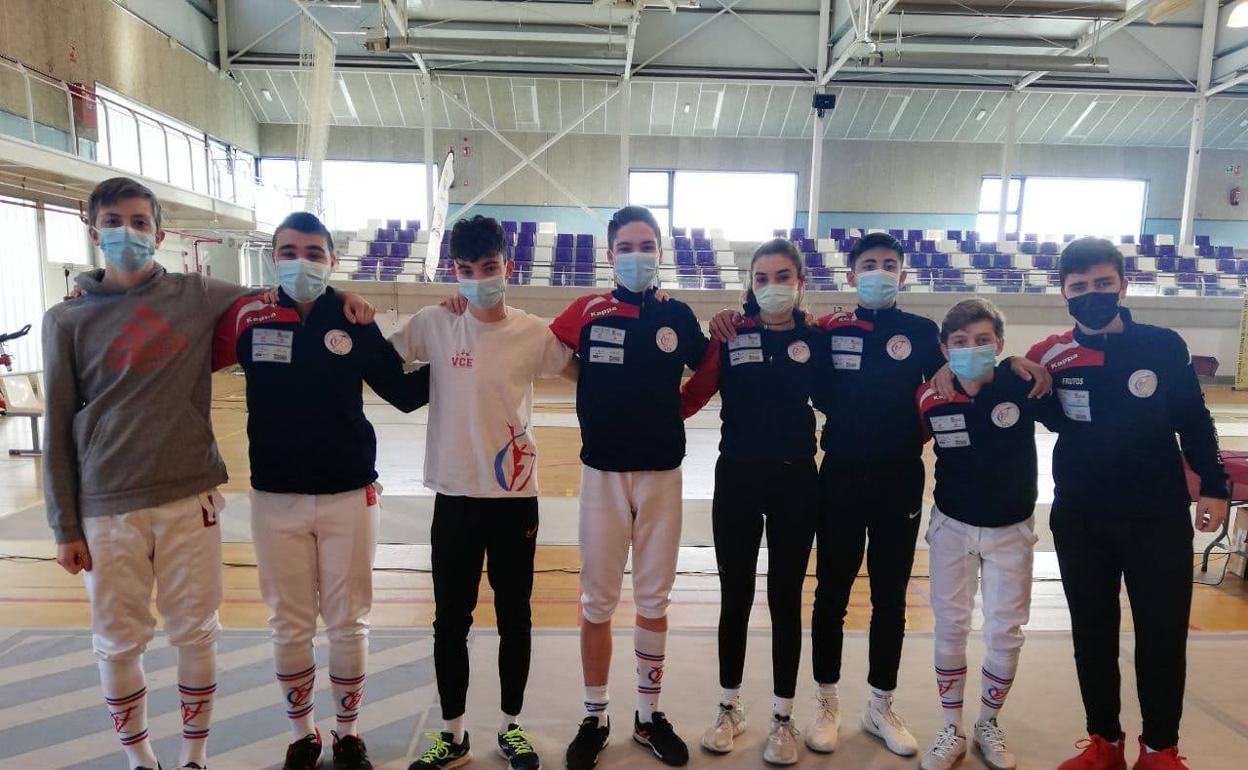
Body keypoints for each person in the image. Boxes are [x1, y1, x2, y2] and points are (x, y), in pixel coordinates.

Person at [42, 177, 373, 770]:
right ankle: (141, 760)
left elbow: (287, 289)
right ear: (92, 230)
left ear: (159, 234)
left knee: (196, 632)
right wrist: (63, 524)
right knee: (118, 640)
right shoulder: (65, 319)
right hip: (104, 504)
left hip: (189, 494)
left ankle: (193, 757)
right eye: (113, 221)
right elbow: (59, 423)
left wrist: (342, 294)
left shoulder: (196, 294)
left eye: (139, 222)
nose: (126, 232)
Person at [708, 232, 1049, 758]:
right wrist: (729, 317)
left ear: (903, 274)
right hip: (839, 476)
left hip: (899, 478)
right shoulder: (829, 328)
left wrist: (1011, 362)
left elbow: (962, 366)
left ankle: (880, 704)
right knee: (831, 594)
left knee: (891, 597)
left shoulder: (920, 332)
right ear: (851, 275)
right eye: (869, 264)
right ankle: (826, 703)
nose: (879, 273)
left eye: (889, 264)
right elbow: (788, 338)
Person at [211, 212, 431, 770]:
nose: (300, 262)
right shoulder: (248, 314)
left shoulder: (352, 318)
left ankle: (348, 733)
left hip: (348, 495)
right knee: (288, 624)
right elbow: (186, 344)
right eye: (289, 252)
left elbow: (404, 394)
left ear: (332, 261)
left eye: (313, 253)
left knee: (348, 621)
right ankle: (302, 734)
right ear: (273, 258)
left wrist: (469, 351)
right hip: (274, 498)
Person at [1026, 238, 1227, 770]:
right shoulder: (1050, 353)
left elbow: (1194, 419)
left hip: (1157, 515)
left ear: (1122, 285)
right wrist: (1011, 366)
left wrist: (1214, 485)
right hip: (1081, 516)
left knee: (1162, 635)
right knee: (1092, 634)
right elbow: (1018, 394)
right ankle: (1105, 743)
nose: (1091, 294)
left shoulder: (1162, 345)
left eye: (1103, 283)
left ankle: (1160, 749)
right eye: (1079, 286)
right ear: (1063, 292)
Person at [387, 215, 575, 770]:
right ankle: (453, 735)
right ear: (454, 272)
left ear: (507, 267)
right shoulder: (434, 323)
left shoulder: (533, 332)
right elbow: (374, 359)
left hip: (514, 499)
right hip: (454, 497)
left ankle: (511, 727)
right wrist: (347, 310)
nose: (477, 279)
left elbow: (589, 376)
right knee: (451, 620)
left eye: (488, 267)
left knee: (515, 617)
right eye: (466, 270)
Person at [552, 206, 709, 770]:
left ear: (659, 253)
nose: (637, 255)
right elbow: (551, 352)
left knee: (653, 599)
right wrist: (591, 381)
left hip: (662, 474)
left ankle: (647, 715)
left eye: (647, 246)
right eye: (626, 247)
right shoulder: (587, 310)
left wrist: (680, 406)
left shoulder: (677, 314)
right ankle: (595, 715)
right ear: (610, 254)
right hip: (602, 474)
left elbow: (710, 368)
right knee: (597, 600)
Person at [679, 239, 825, 766]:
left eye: (782, 276)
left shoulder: (818, 339)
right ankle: (729, 708)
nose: (772, 286)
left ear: (800, 282)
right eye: (761, 278)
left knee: (786, 599)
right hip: (738, 478)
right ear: (751, 284)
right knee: (735, 595)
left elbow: (851, 394)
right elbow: (692, 395)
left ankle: (783, 717)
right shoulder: (730, 334)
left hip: (795, 481)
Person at [915, 298, 1056, 770]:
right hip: (951, 527)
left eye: (982, 340)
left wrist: (1019, 361)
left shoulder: (1021, 382)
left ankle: (988, 722)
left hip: (1011, 530)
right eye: (960, 342)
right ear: (944, 349)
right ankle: (951, 727)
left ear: (998, 344)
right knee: (950, 626)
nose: (971, 348)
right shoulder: (930, 395)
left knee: (1005, 630)